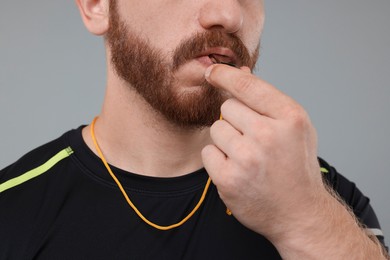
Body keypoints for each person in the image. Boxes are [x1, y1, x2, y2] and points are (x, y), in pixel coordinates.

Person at [0, 0, 388, 258]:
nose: (229, 15)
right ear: (97, 6)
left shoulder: (320, 198)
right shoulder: (11, 211)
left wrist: (305, 222)